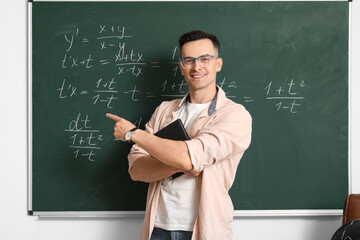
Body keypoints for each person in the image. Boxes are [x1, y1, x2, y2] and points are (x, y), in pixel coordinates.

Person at [106, 30, 252, 240]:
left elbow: (190, 156)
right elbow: (136, 169)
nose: (197, 66)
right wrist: (183, 164)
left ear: (218, 64)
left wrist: (132, 133)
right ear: (181, 67)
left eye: (204, 59)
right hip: (157, 229)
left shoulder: (235, 115)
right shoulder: (164, 111)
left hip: (204, 231)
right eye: (189, 60)